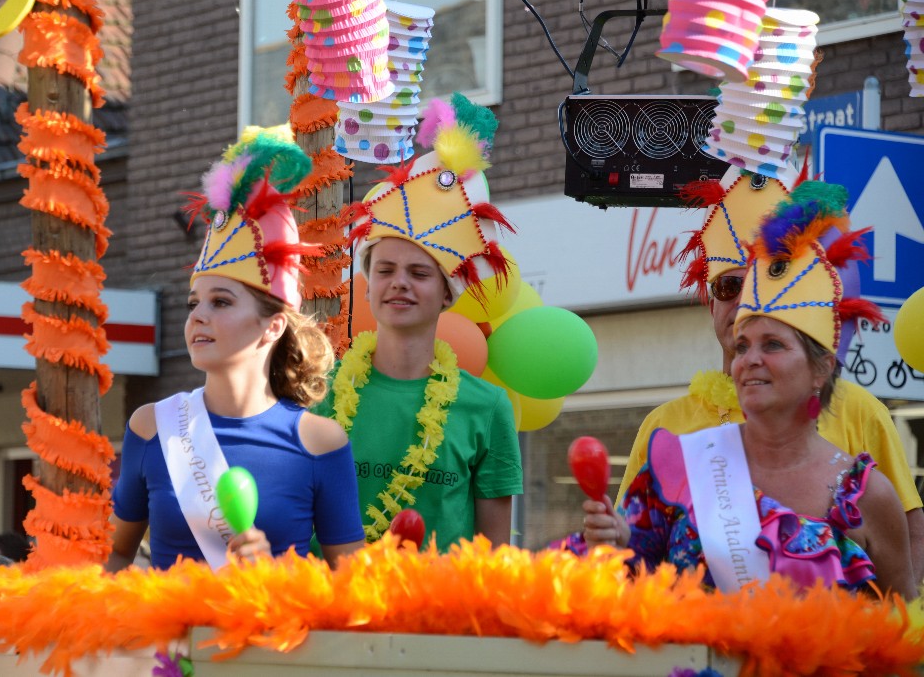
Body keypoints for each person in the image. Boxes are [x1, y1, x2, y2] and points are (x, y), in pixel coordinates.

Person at [572, 180, 917, 597]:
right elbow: (631, 575)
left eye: (772, 344)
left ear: (821, 369)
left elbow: (901, 627)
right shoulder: (678, 452)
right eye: (742, 346)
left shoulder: (867, 488)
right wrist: (614, 543)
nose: (751, 359)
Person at [108, 128, 365, 572]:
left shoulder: (321, 443)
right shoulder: (151, 427)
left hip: (274, 639)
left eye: (221, 302)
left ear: (273, 326)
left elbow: (353, 589)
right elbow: (115, 556)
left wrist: (280, 575)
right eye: (194, 303)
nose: (197, 316)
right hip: (169, 643)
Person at [314, 94, 523, 550]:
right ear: (367, 285)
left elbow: (495, 559)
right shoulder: (319, 393)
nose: (399, 285)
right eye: (385, 270)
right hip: (332, 618)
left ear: (448, 293)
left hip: (438, 621)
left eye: (420, 273)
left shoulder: (488, 408)